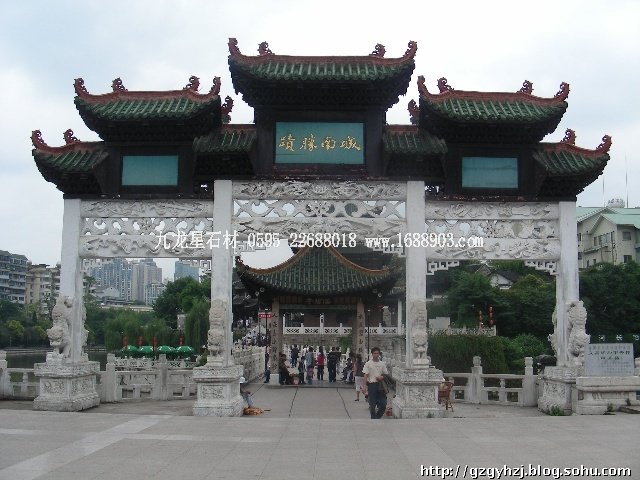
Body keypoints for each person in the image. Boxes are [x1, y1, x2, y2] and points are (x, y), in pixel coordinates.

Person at [363, 347, 388, 419]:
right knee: (372, 405)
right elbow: (365, 375)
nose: (376, 355)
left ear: (379, 354)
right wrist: (364, 387)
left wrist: (382, 377)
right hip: (372, 385)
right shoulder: (368, 364)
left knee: (383, 404)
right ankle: (373, 419)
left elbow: (386, 374)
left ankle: (377, 417)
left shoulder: (382, 364)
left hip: (381, 386)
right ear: (372, 354)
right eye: (374, 353)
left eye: (377, 353)